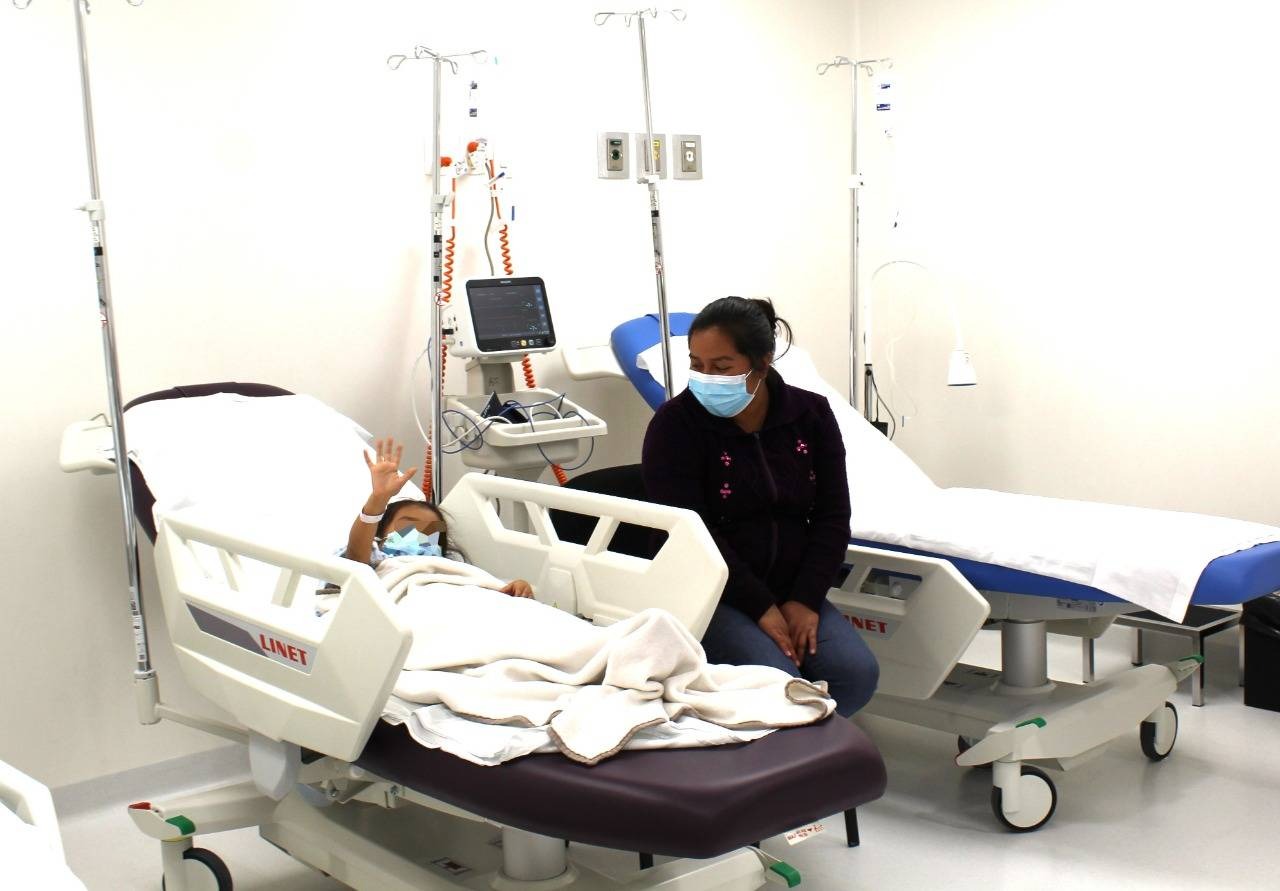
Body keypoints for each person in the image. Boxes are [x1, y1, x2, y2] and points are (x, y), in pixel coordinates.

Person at [641, 297, 878, 716]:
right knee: (778, 684)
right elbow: (694, 535)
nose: (705, 377)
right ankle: (783, 750)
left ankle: (804, 743)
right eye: (697, 364)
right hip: (714, 592)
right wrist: (760, 607)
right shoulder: (675, 425)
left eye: (722, 367)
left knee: (854, 675)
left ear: (762, 363)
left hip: (792, 587)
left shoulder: (810, 415)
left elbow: (832, 515)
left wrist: (805, 599)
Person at [345, 436, 533, 598]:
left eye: (431, 531)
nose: (421, 535)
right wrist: (378, 499)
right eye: (408, 527)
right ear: (380, 535)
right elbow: (356, 556)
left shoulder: (449, 567)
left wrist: (517, 587)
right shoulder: (377, 558)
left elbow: (482, 588)